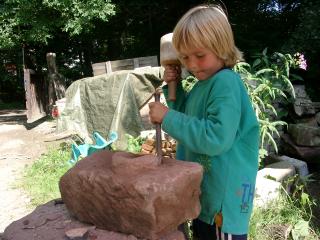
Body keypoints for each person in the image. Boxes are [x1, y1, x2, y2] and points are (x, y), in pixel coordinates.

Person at [149, 4, 259, 240]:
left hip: (223, 208)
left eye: (200, 55)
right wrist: (174, 87)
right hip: (206, 197)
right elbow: (189, 120)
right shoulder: (203, 85)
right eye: (185, 57)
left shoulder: (226, 83)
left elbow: (215, 138)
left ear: (222, 48)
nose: (192, 65)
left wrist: (166, 117)